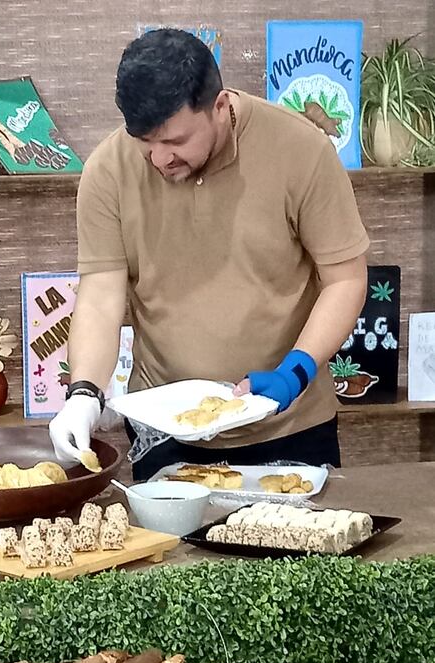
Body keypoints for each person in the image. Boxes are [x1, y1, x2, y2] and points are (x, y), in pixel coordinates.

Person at [49, 28, 369, 481]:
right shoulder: (107, 171)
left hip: (290, 425)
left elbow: (345, 279)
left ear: (219, 107)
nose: (160, 159)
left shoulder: (301, 150)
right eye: (145, 144)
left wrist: (295, 372)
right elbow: (101, 296)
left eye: (175, 141)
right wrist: (83, 394)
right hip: (164, 435)